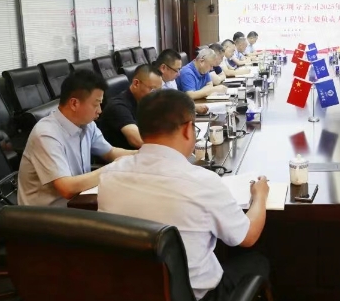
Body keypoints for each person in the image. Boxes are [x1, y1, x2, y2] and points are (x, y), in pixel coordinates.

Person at [97, 90, 270, 300]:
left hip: (129, 291)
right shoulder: (203, 183)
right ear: (188, 129)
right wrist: (260, 195)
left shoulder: (109, 175)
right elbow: (248, 237)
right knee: (257, 261)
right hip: (195, 296)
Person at [18, 70, 136, 206]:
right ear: (74, 104)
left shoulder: (87, 124)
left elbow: (110, 152)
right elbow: (67, 188)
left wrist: (143, 153)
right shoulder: (46, 134)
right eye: (96, 104)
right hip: (47, 213)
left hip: (78, 201)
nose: (99, 110)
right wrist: (114, 168)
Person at [98, 64, 163, 150]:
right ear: (136, 83)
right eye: (153, 90)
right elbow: (137, 140)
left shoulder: (145, 102)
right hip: (122, 156)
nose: (157, 95)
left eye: (159, 91)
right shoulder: (118, 107)